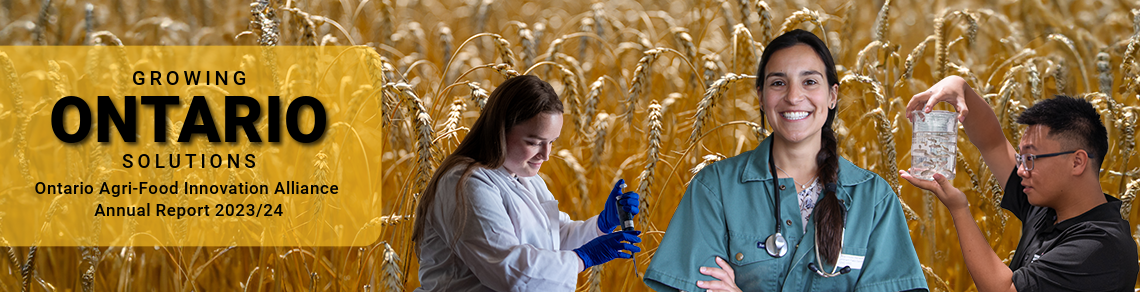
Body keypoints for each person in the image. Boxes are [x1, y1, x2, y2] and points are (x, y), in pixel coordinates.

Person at [643, 29, 928, 292]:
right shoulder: (715, 189)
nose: (793, 96)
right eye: (778, 82)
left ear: (832, 95)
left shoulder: (874, 199)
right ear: (761, 96)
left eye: (809, 81)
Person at [901, 76, 1139, 291]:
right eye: (1021, 158)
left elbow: (1003, 290)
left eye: (1031, 159)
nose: (1022, 170)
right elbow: (993, 143)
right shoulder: (1047, 208)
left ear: (1077, 162)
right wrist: (959, 87)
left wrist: (959, 209)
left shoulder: (1100, 246)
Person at [411, 75, 642, 291]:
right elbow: (508, 269)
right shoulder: (465, 183)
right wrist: (584, 258)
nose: (546, 155)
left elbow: (553, 238)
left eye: (552, 142)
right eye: (534, 142)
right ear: (499, 130)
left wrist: (601, 225)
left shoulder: (524, 177)